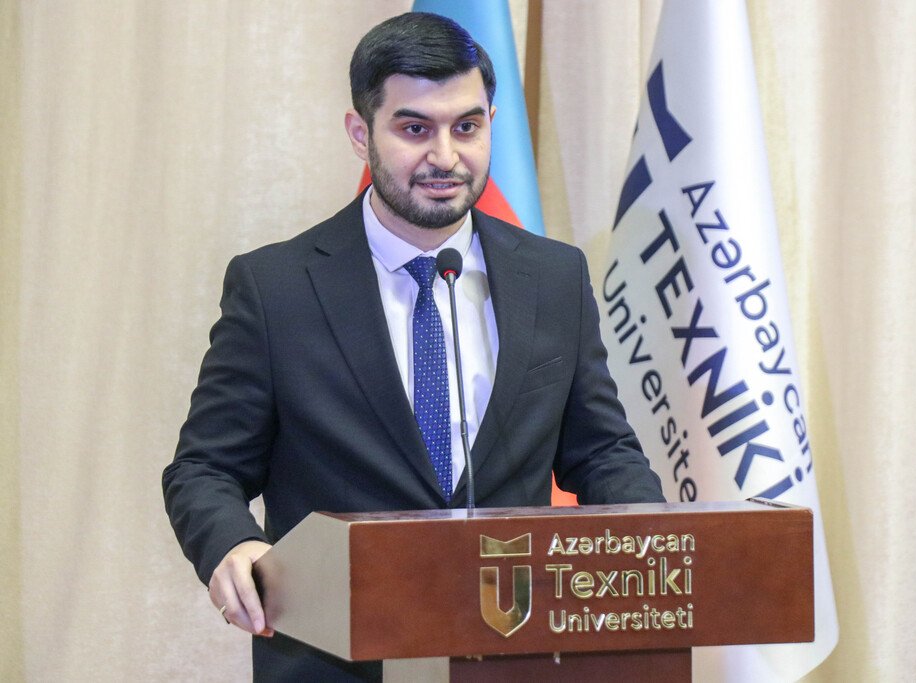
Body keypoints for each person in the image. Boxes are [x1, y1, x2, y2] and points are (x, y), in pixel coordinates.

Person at [163, 11, 664, 681]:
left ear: (492, 122)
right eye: (415, 129)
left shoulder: (554, 277)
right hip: (335, 657)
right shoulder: (276, 288)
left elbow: (600, 450)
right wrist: (231, 544)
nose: (445, 156)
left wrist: (662, 541)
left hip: (513, 650)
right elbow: (205, 468)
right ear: (360, 132)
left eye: (467, 127)